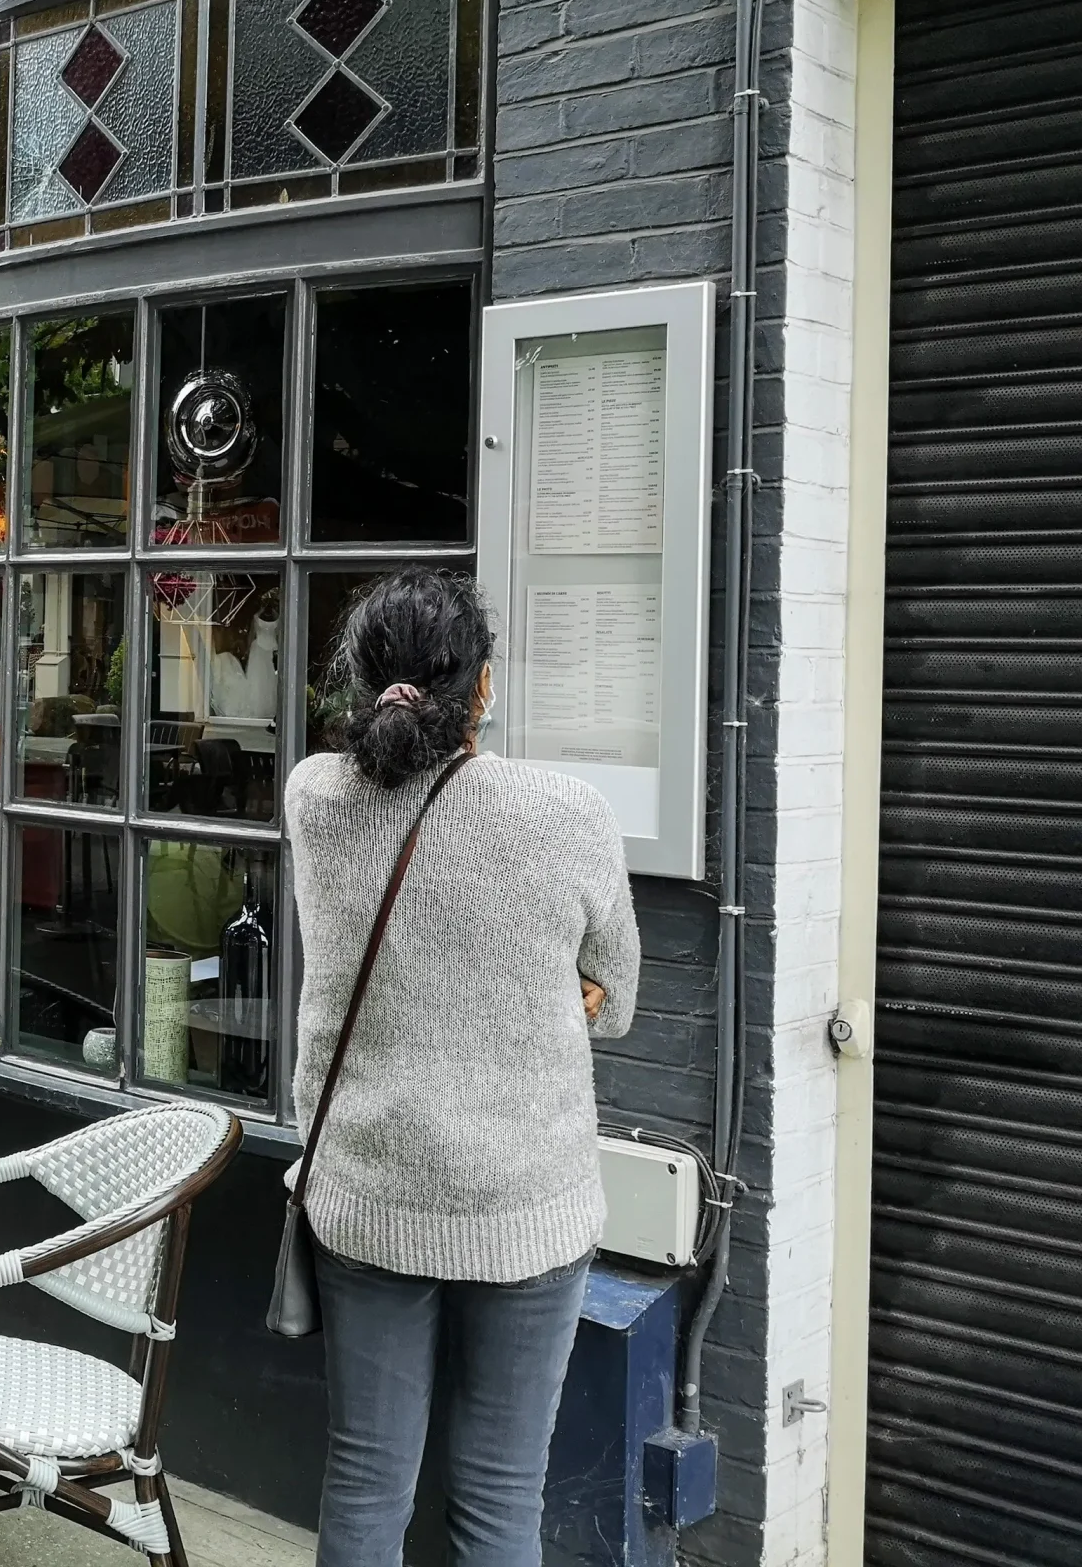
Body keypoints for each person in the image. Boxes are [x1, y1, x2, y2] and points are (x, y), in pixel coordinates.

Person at [285, 567, 639, 1567]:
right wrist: (560, 994)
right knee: (498, 1503)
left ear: (362, 682)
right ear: (483, 686)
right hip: (525, 1204)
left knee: (366, 1483)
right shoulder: (567, 812)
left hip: (367, 1192)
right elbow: (615, 995)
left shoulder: (313, 797)